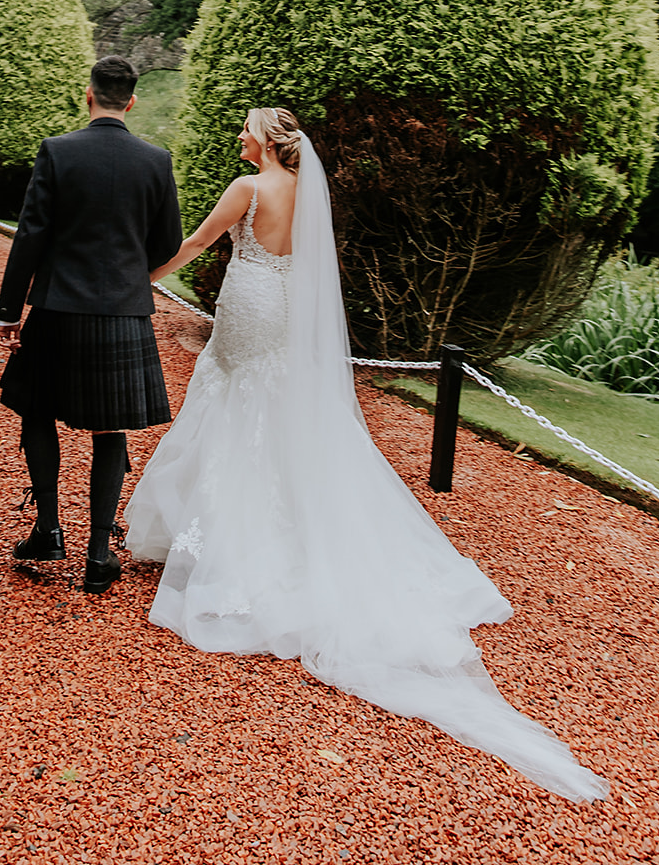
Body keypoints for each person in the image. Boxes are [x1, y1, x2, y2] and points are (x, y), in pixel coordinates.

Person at [124, 107, 609, 802]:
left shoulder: (246, 187)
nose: (239, 139)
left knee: (231, 408)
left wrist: (137, 276)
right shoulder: (305, 195)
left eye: (245, 131)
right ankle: (273, 526)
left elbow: (199, 242)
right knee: (272, 413)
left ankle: (228, 544)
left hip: (249, 306)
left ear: (263, 141)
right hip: (284, 306)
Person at [0, 55, 182, 594]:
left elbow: (29, 235)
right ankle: (99, 552)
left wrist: (10, 311)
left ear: (88, 95)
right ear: (131, 101)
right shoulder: (155, 160)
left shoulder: (59, 151)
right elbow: (167, 242)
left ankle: (49, 530)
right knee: (111, 427)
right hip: (123, 313)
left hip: (57, 308)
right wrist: (126, 274)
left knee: (37, 412)